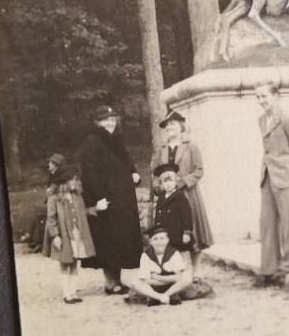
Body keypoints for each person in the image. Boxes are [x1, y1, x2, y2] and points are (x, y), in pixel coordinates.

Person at [79, 105, 143, 295]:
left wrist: (134, 173)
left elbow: (127, 161)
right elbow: (89, 174)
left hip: (122, 201)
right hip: (106, 201)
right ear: (97, 122)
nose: (110, 123)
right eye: (106, 119)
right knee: (108, 240)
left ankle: (117, 280)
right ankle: (110, 283)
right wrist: (97, 199)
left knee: (121, 239)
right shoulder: (92, 141)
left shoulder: (117, 139)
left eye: (113, 119)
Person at [255, 81, 289, 286]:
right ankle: (268, 270)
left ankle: (288, 266)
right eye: (258, 97)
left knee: (288, 222)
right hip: (268, 176)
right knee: (266, 223)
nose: (261, 101)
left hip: (288, 177)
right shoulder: (261, 120)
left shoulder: (287, 118)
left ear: (275, 96)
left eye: (264, 96)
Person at [151, 110, 213, 280]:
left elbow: (199, 170)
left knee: (192, 232)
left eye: (173, 124)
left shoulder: (191, 146)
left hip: (188, 195)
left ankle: (196, 270)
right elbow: (154, 172)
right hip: (167, 198)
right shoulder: (161, 149)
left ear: (181, 126)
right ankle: (174, 270)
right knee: (170, 232)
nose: (170, 127)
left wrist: (182, 182)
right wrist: (157, 186)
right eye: (167, 125)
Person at [42, 156, 96, 304]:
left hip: (77, 234)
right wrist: (55, 236)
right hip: (64, 235)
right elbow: (51, 218)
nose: (76, 182)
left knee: (74, 263)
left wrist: (95, 209)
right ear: (64, 181)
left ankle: (73, 292)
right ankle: (67, 294)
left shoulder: (77, 196)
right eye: (73, 180)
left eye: (76, 179)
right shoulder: (54, 198)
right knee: (65, 263)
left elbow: (82, 212)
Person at [125, 224, 191, 306]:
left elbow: (179, 277)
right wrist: (169, 279)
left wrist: (157, 277)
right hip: (152, 288)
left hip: (172, 287)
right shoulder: (145, 255)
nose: (159, 242)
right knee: (134, 281)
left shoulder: (174, 253)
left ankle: (166, 295)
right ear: (151, 241)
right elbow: (146, 280)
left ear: (167, 240)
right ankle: (160, 297)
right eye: (155, 239)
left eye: (162, 238)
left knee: (187, 277)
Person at [151, 162, 194, 255]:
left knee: (177, 255)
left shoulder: (180, 197)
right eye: (165, 182)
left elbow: (187, 216)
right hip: (164, 234)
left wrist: (186, 233)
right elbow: (158, 215)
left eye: (171, 181)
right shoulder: (161, 198)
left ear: (176, 182)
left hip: (177, 234)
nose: (168, 184)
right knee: (165, 255)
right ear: (161, 184)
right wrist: (156, 230)